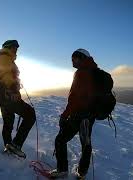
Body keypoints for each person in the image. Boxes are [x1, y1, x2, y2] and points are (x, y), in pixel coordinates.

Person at [49, 49, 98, 178]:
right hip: (90, 115)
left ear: (81, 58)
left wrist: (65, 115)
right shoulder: (93, 71)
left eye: (74, 58)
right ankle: (82, 173)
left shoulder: (81, 73)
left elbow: (75, 98)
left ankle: (62, 169)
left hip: (79, 115)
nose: (71, 61)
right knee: (86, 143)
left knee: (60, 140)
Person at [0, 40, 36, 158]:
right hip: (9, 95)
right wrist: (13, 87)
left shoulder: (4, 58)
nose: (16, 50)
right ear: (8, 47)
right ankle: (16, 145)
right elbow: (5, 74)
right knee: (30, 114)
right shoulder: (5, 57)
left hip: (2, 96)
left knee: (9, 121)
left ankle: (9, 148)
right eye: (14, 47)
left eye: (16, 48)